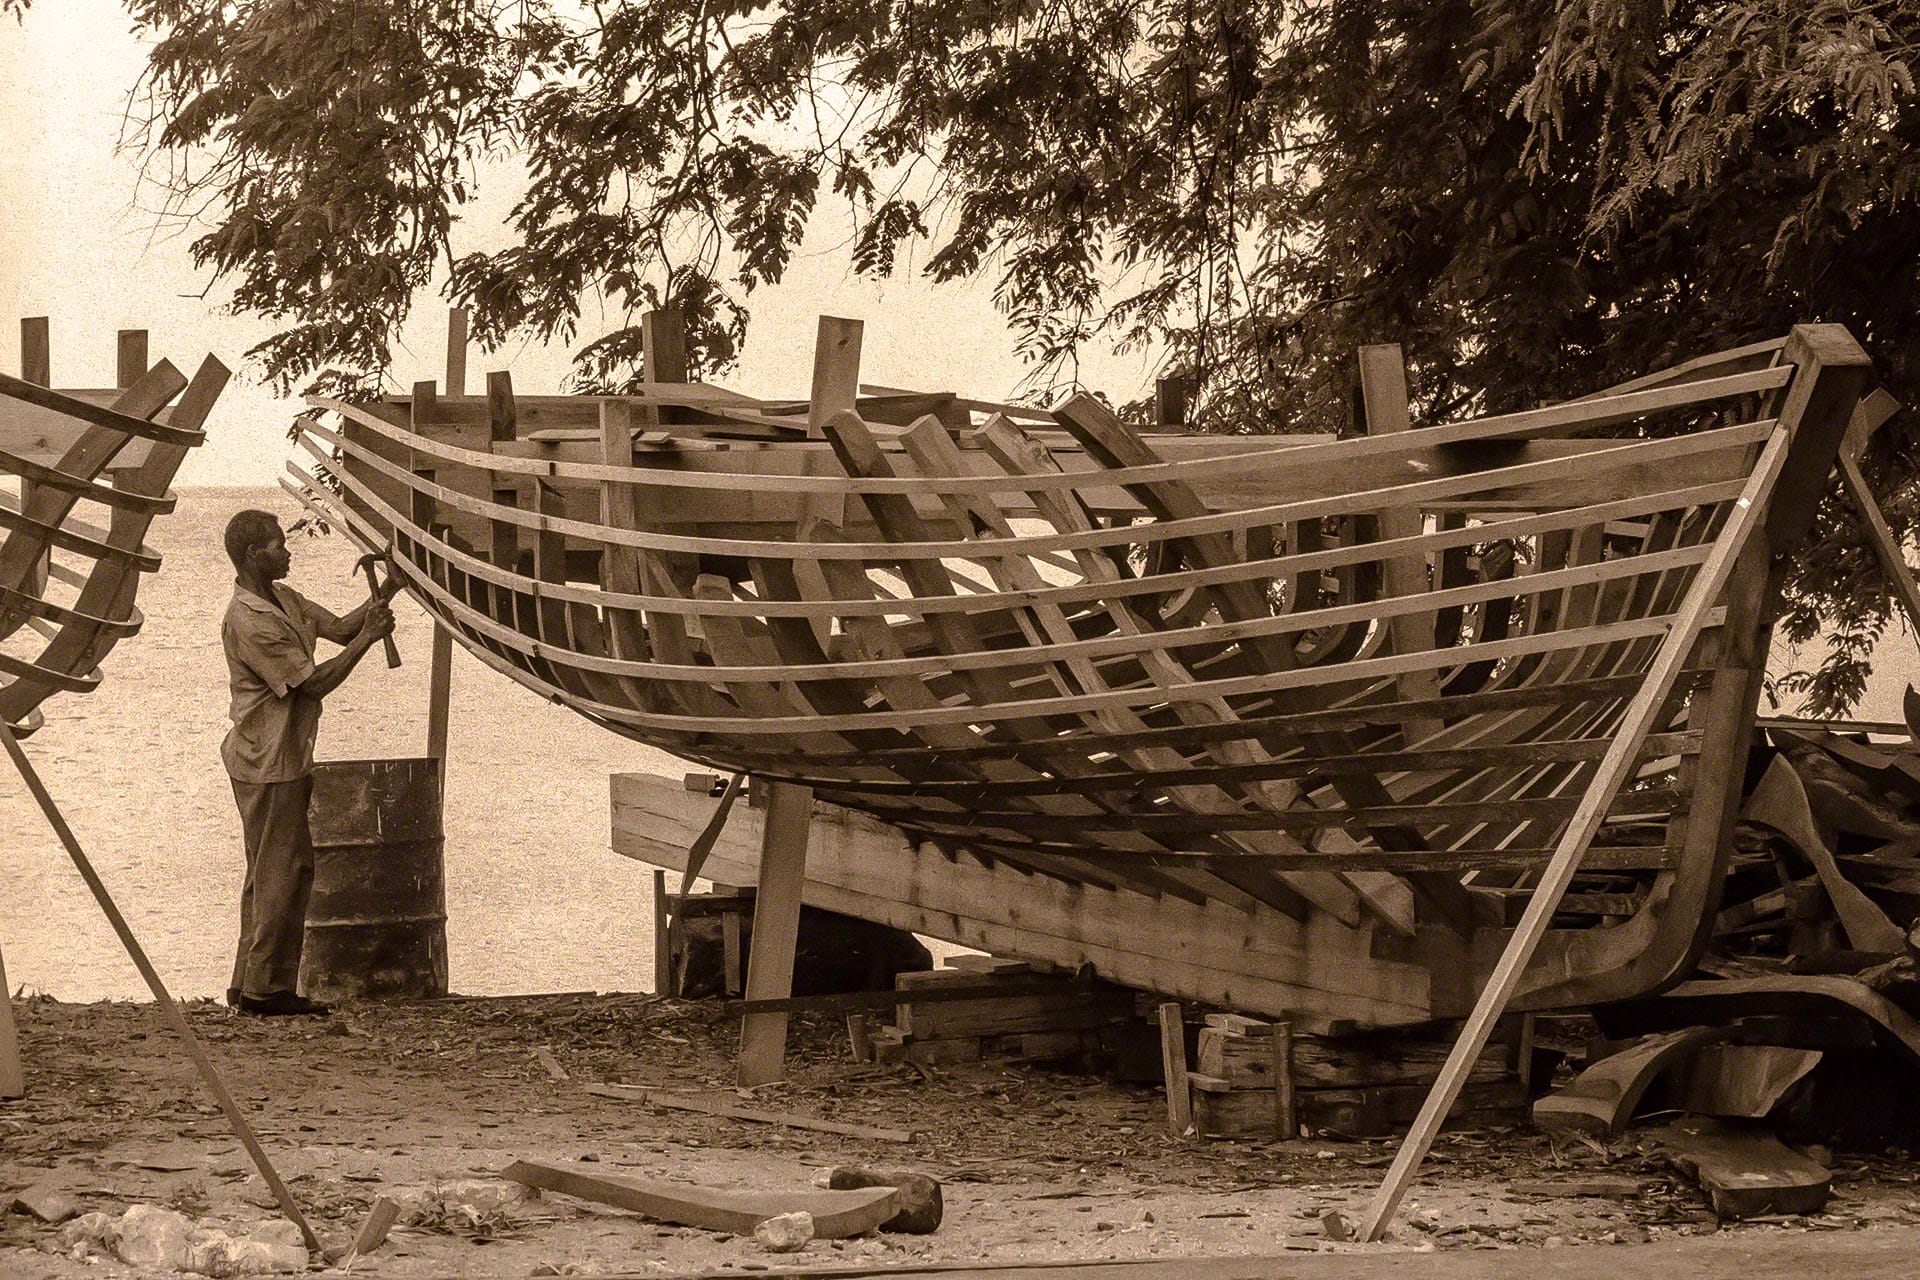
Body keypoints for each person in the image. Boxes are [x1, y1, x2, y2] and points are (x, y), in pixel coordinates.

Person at [220, 509, 398, 1016]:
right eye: (279, 545)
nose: (288, 550)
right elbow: (314, 683)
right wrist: (370, 638)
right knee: (287, 871)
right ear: (255, 554)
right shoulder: (250, 620)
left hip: (280, 755)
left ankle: (246, 983)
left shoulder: (283, 598)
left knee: (266, 871)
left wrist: (390, 587)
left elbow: (340, 628)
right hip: (268, 761)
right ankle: (267, 992)